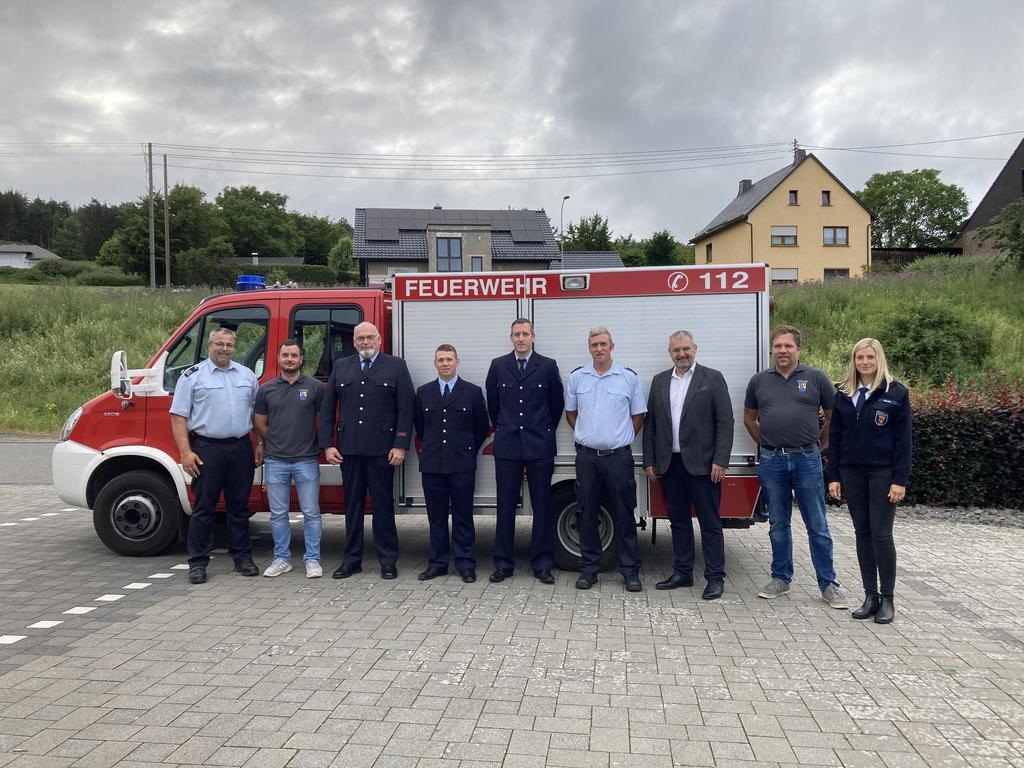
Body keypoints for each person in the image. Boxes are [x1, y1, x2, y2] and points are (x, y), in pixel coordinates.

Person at [743, 325, 849, 609]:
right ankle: (781, 579)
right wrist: (766, 444)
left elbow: (832, 416)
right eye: (778, 346)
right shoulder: (759, 381)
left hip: (806, 460)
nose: (782, 351)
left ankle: (828, 584)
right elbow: (749, 419)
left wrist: (818, 446)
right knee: (779, 524)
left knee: (817, 524)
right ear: (772, 350)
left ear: (798, 349)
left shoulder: (815, 378)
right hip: (772, 461)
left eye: (788, 346)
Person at [319, 321, 414, 580]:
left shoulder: (396, 366)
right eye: (360, 339)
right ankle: (351, 560)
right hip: (349, 450)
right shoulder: (341, 366)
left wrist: (400, 444)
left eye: (369, 338)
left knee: (383, 506)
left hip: (382, 450)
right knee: (352, 507)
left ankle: (388, 560)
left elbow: (406, 408)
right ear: (354, 341)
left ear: (379, 339)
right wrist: (327, 445)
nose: (365, 342)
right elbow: (327, 409)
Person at [642, 330, 733, 600]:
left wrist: (720, 459)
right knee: (678, 522)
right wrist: (649, 460)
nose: (681, 354)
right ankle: (683, 573)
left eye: (685, 349)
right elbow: (652, 425)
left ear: (695, 348)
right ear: (670, 353)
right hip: (670, 465)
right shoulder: (660, 381)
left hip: (704, 465)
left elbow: (725, 422)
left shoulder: (712, 378)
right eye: (676, 351)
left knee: (710, 523)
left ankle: (715, 578)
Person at [827, 338, 912, 624]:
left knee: (881, 535)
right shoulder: (843, 392)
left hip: (882, 473)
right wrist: (834, 475)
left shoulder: (896, 393)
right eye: (859, 358)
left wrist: (899, 479)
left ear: (879, 360)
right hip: (852, 473)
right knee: (862, 534)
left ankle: (887, 599)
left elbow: (904, 442)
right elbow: (835, 437)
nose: (864, 362)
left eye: (869, 358)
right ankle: (870, 596)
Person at [170, 327, 262, 585]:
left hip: (240, 447)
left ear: (234, 347)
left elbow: (255, 414)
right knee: (204, 508)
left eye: (229, 345)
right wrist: (186, 452)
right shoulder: (192, 376)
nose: (224, 349)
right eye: (219, 344)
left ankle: (242, 557)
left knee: (239, 506)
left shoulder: (246, 375)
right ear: (209, 346)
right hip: (207, 448)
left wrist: (259, 442)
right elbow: (178, 417)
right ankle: (198, 562)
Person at [566, 327, 647, 592]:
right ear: (589, 348)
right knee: (587, 514)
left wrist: (618, 438)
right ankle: (589, 570)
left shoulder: (627, 378)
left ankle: (629, 571)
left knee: (624, 514)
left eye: (603, 344)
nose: (598, 349)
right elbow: (571, 414)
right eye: (594, 345)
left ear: (612, 346)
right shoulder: (578, 377)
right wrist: (589, 436)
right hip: (587, 458)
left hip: (618, 459)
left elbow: (638, 416)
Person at [485, 318, 565, 584]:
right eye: (516, 334)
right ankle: (503, 563)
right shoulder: (498, 366)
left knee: (542, 505)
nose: (521, 339)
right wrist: (507, 427)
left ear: (533, 337)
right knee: (505, 506)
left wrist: (541, 429)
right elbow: (494, 406)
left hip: (539, 445)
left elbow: (556, 405)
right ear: (511, 338)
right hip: (507, 445)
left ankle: (542, 563)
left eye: (525, 334)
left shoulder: (548, 366)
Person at [413, 344, 489, 583]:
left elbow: (481, 428)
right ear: (435, 364)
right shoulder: (423, 392)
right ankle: (437, 564)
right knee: (436, 518)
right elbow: (420, 426)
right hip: (433, 465)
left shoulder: (473, 392)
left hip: (462, 465)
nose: (445, 363)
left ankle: (465, 564)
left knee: (463, 516)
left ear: (457, 362)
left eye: (449, 359)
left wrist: (465, 450)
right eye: (440, 360)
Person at [253, 339, 325, 579]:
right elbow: (259, 422)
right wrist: (272, 440)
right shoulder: (266, 389)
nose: (290, 359)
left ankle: (312, 559)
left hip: (306, 460)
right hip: (275, 460)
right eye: (285, 355)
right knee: (278, 514)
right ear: (278, 358)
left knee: (311, 512)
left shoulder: (315, 387)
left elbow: (323, 421)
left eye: (294, 355)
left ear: (301, 359)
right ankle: (282, 558)